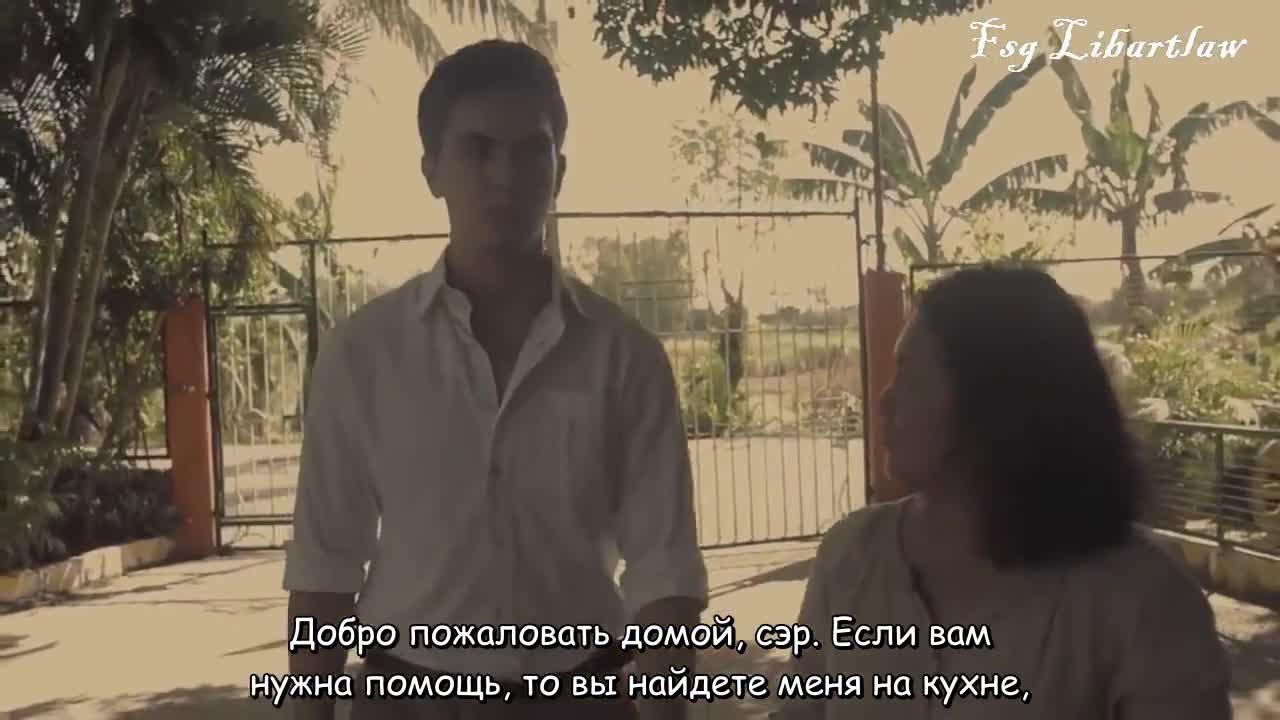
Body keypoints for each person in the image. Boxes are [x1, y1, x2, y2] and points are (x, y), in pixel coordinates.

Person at [282, 40, 709, 720]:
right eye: (477, 149)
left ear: (559, 170)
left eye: (532, 150)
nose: (506, 176)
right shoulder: (364, 353)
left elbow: (665, 569)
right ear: (432, 170)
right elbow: (324, 566)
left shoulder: (625, 355)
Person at [773, 265, 1232, 719]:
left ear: (997, 401)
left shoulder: (1142, 599)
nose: (884, 400)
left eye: (911, 376)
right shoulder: (851, 553)